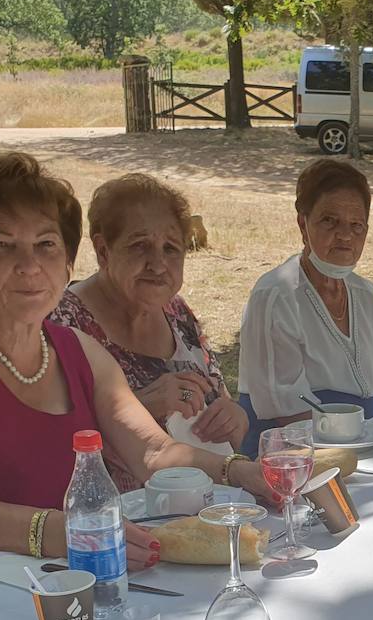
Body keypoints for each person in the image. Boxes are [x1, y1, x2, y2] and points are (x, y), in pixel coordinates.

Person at [0, 153, 276, 568]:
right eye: (1, 246)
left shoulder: (77, 350)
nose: (30, 266)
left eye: (46, 245)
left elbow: (153, 453)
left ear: (69, 259)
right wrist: (74, 531)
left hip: (49, 576)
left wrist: (244, 473)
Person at [50, 173, 247, 491]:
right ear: (103, 251)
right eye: (140, 246)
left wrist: (234, 416)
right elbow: (47, 443)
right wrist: (139, 406)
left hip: (201, 502)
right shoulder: (62, 322)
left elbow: (201, 396)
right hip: (109, 519)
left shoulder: (176, 311)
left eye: (171, 248)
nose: (158, 264)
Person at [236, 158, 373, 452]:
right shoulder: (277, 295)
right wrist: (358, 445)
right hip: (292, 456)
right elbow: (286, 409)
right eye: (330, 221)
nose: (345, 236)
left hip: (367, 448)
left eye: (357, 225)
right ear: (303, 224)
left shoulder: (369, 296)